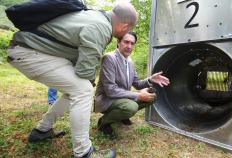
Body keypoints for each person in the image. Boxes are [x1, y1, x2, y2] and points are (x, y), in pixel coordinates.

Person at [7, 2, 137, 158]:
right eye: (129, 30)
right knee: (83, 90)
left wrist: (88, 79)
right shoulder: (101, 27)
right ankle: (84, 152)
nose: (127, 34)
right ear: (124, 26)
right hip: (29, 51)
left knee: (75, 91)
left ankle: (42, 130)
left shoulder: (96, 17)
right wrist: (90, 81)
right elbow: (84, 70)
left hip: (31, 50)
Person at [94, 32, 170, 138]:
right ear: (118, 43)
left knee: (152, 96)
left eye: (132, 43)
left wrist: (150, 79)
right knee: (131, 107)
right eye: (126, 42)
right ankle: (104, 123)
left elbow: (137, 84)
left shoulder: (130, 62)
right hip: (106, 99)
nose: (129, 46)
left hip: (122, 97)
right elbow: (110, 90)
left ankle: (121, 116)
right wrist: (138, 95)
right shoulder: (109, 58)